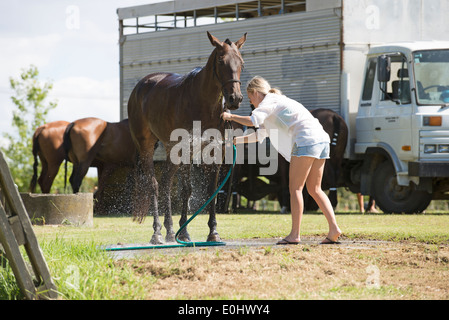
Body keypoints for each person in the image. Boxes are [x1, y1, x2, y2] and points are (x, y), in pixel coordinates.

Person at [221, 76, 342, 244]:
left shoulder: (267, 103)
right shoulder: (276, 103)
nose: (251, 104)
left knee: (296, 189)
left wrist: (230, 116)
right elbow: (259, 135)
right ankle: (334, 229)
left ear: (255, 93)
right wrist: (236, 140)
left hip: (305, 141)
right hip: (321, 140)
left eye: (250, 99)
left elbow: (252, 120)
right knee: (315, 189)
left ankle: (295, 235)